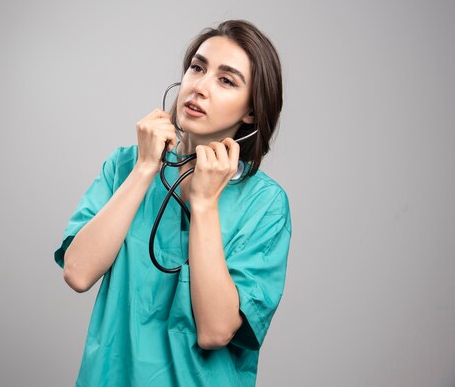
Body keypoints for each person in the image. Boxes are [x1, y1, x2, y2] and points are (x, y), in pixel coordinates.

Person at [54, 20, 291, 387]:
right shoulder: (124, 166)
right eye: (197, 68)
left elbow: (215, 331)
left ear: (252, 112)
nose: (199, 86)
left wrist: (205, 205)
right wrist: (145, 168)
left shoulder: (265, 205)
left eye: (226, 80)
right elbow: (78, 272)